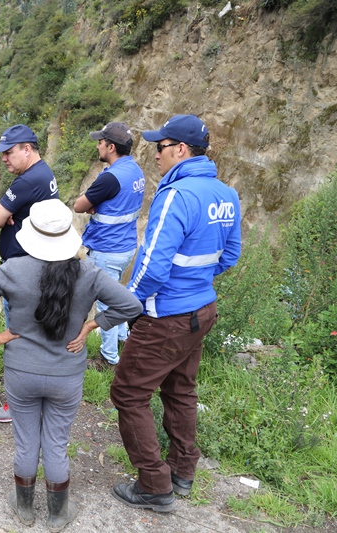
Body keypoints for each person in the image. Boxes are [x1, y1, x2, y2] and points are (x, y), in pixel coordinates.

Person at [0, 199, 142, 532]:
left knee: (26, 442)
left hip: (21, 372)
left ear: (31, 233)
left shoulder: (12, 269)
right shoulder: (89, 272)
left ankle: (25, 509)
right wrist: (91, 325)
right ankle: (58, 514)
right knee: (56, 443)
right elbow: (131, 306)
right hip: (66, 375)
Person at [110, 115, 242, 513]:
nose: (155, 155)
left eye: (160, 147)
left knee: (128, 392)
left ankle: (154, 485)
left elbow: (152, 266)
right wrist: (195, 281)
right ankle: (183, 471)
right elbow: (230, 255)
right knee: (181, 389)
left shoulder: (175, 195)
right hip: (202, 309)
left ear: (180, 149)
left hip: (166, 316)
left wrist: (129, 303)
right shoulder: (226, 194)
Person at [0, 124, 59, 424]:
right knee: (37, 335)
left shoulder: (27, 181)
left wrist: (9, 217)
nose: (4, 158)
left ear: (27, 149)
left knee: (18, 338)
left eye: (9, 152)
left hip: (22, 270)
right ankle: (43, 397)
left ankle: (18, 405)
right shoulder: (45, 172)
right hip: (39, 266)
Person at [74, 121, 145, 367]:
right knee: (118, 296)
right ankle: (124, 340)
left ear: (111, 147)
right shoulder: (135, 170)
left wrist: (94, 204)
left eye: (101, 142)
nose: (97, 146)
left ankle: (109, 358)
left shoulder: (110, 178)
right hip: (126, 246)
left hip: (106, 249)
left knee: (106, 305)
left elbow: (79, 206)